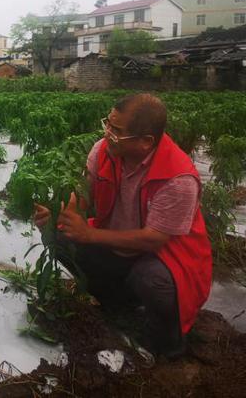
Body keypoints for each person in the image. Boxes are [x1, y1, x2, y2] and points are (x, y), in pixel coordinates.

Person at [33, 93, 212, 357]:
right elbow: (82, 195)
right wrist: (59, 215)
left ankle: (168, 346)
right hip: (116, 243)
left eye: (116, 130)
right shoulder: (103, 150)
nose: (107, 134)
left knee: (152, 280)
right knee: (58, 236)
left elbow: (153, 240)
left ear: (145, 142)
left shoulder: (178, 178)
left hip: (164, 257)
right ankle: (117, 306)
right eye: (108, 124)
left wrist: (90, 234)